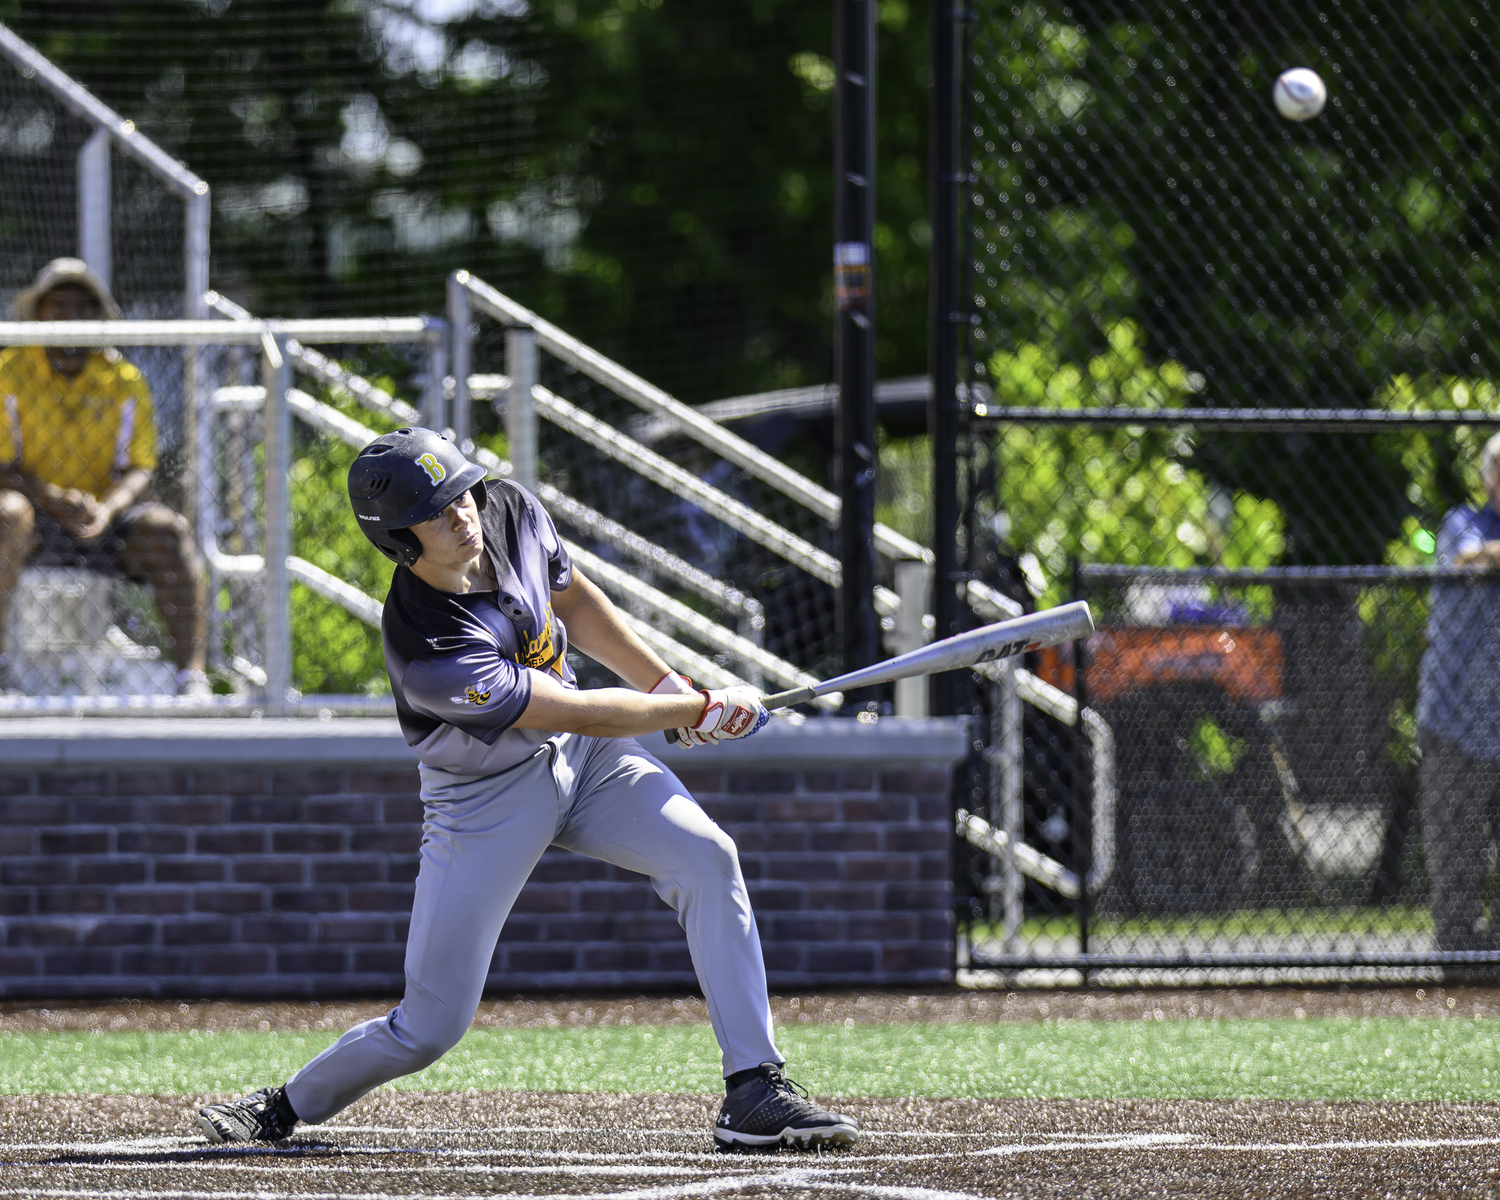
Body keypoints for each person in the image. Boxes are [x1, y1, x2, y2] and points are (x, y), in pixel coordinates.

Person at [193, 427, 860, 1152]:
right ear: (400, 541)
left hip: (589, 761)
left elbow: (572, 600)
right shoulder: (430, 650)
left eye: (461, 492)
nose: (463, 512)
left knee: (706, 856)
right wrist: (691, 713)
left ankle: (754, 1088)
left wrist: (669, 685)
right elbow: (569, 706)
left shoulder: (509, 509)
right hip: (484, 800)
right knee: (430, 1026)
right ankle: (285, 1106)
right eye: (437, 508)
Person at [0, 258, 208, 695]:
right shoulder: (9, 371)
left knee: (168, 531)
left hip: (104, 518)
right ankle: (1, 667)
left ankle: (191, 676)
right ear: (39, 313)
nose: (70, 317)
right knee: (6, 514)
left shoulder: (123, 378)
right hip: (33, 519)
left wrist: (106, 507)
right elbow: (4, 466)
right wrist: (52, 497)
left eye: (82, 307)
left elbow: (139, 467)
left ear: (96, 315)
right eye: (58, 306)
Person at [1417, 431, 1500, 964]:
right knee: (1456, 860)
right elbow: (1466, 559)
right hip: (1454, 722)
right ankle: (1457, 967)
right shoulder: (1461, 523)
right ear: (1490, 477)